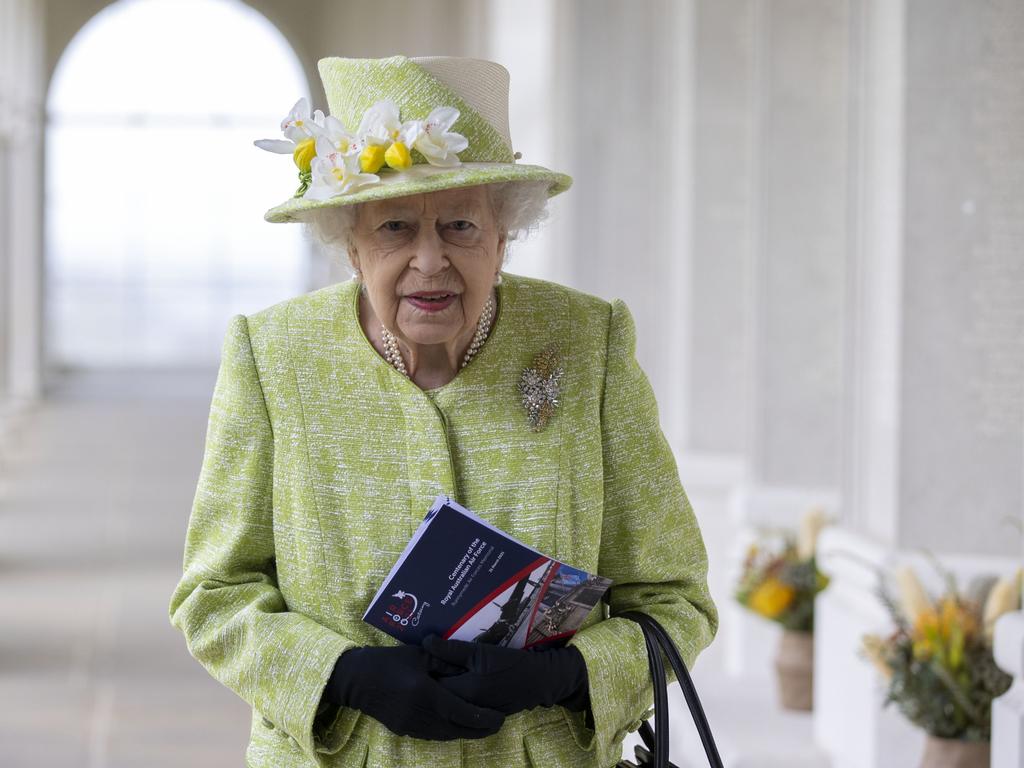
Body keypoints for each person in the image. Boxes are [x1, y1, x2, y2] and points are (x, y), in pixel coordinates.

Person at [167, 54, 717, 768]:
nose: (430, 262)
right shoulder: (273, 355)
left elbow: (676, 600)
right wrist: (344, 676)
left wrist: (570, 676)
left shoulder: (588, 342)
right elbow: (214, 594)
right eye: (395, 227)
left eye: (460, 225)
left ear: (503, 237)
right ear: (351, 247)